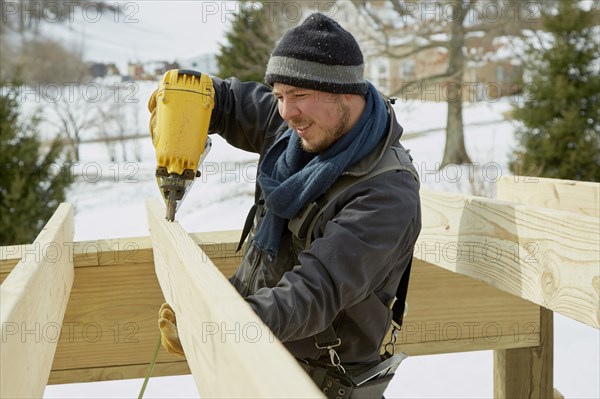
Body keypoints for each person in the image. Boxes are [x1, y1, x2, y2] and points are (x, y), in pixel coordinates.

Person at [157, 12, 421, 398]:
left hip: (314, 382)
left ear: (345, 92)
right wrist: (192, 95)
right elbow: (229, 101)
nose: (286, 112)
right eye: (280, 95)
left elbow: (313, 292)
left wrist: (215, 323)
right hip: (254, 354)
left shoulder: (386, 193)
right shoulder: (297, 132)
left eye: (298, 96)